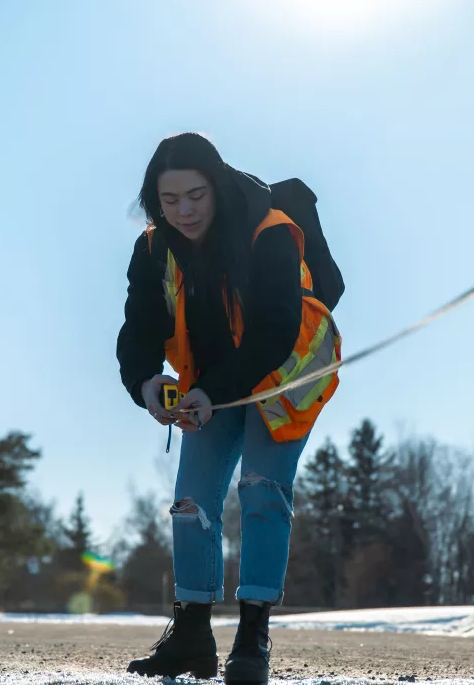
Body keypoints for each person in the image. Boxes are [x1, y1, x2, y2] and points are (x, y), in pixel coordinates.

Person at [116, 132, 342, 684]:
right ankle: (191, 635)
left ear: (215, 186)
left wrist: (214, 392)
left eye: (195, 195)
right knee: (191, 501)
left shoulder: (271, 232)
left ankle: (252, 637)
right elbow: (139, 327)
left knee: (263, 491)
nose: (184, 211)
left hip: (282, 378)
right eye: (169, 201)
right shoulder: (152, 248)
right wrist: (145, 382)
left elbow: (273, 331)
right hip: (207, 388)